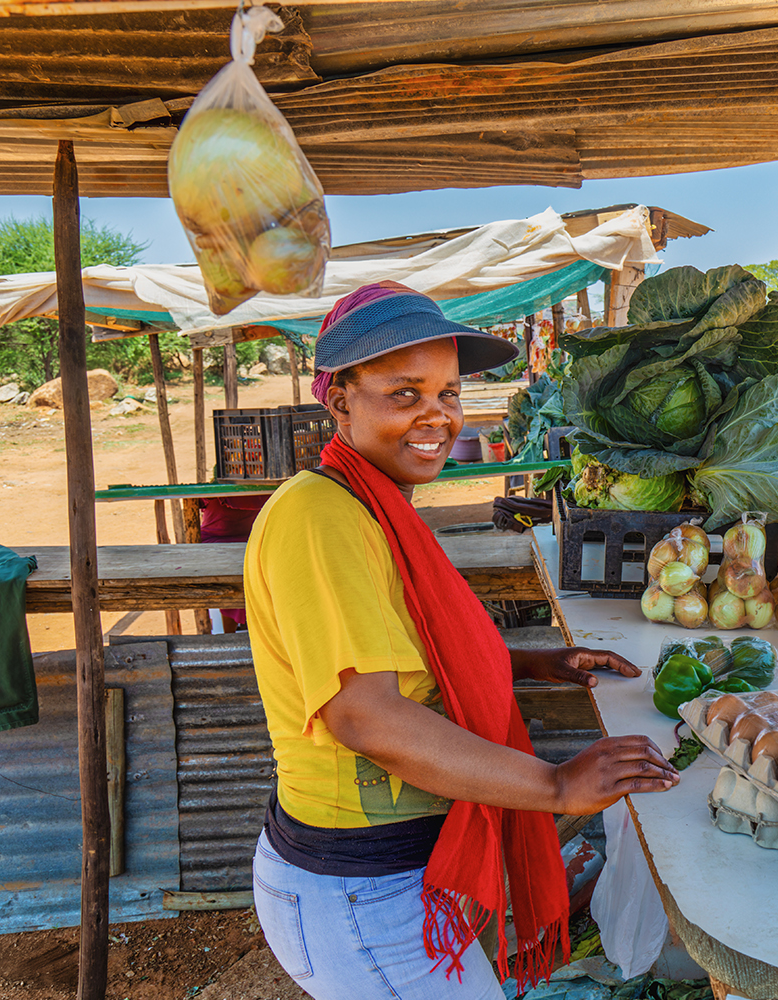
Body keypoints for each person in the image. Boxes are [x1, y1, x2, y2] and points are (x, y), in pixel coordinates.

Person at [243, 282, 679, 1000]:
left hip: (393, 882)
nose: (437, 417)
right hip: (362, 895)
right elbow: (367, 715)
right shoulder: (317, 517)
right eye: (404, 393)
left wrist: (533, 664)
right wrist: (555, 784)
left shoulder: (371, 503)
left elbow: (407, 659)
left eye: (448, 393)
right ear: (340, 399)